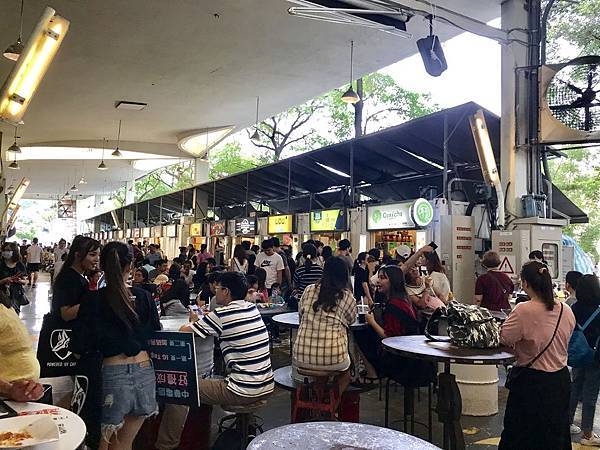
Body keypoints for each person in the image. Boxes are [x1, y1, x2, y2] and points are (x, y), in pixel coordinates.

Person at [72, 242, 161, 450]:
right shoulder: (144, 297)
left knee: (103, 443)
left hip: (112, 374)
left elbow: (80, 344)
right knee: (124, 444)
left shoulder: (92, 300)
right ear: (130, 266)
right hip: (145, 372)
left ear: (102, 265)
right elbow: (153, 332)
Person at [499, 261, 575, 450]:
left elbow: (504, 337)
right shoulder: (566, 310)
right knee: (555, 434)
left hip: (531, 383)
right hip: (560, 381)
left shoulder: (524, 310)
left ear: (525, 283)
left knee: (521, 434)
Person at [179, 271, 274, 403]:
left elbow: (183, 331)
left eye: (217, 288)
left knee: (180, 385)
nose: (215, 292)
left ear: (226, 291)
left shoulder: (221, 314)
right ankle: (244, 422)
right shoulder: (252, 308)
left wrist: (193, 321)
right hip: (267, 385)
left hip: (242, 390)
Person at [293, 257, 356, 397]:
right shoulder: (347, 297)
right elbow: (351, 320)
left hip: (301, 357)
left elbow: (300, 315)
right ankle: (329, 409)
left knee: (320, 368)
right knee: (346, 376)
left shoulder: (309, 290)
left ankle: (317, 404)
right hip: (333, 357)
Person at [569, 274, 600, 445]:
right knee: (590, 394)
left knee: (574, 388)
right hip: (595, 358)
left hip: (577, 354)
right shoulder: (599, 311)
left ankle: (566, 422)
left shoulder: (573, 308)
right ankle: (587, 435)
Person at [52, 236, 101, 322]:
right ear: (78, 255)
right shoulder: (68, 279)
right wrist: (95, 300)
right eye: (92, 255)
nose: (97, 259)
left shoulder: (77, 276)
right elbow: (66, 314)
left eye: (98, 255)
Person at [0, 242, 28, 313]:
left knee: (14, 317)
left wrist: (19, 280)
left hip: (16, 295)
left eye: (8, 250)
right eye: (4, 250)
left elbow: (25, 281)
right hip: (2, 295)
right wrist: (4, 280)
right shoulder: (1, 264)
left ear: (14, 251)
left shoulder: (19, 265)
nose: (5, 252)